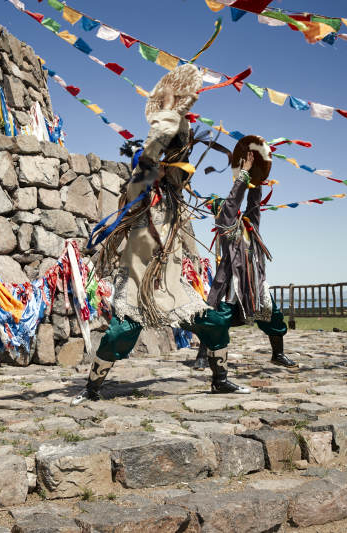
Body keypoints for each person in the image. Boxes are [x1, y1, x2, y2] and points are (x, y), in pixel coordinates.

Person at [72, 65, 265, 405]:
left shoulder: (175, 197)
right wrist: (165, 119)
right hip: (137, 282)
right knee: (121, 332)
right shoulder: (140, 189)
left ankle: (220, 380)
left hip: (171, 285)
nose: (184, 167)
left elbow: (194, 174)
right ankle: (91, 388)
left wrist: (244, 172)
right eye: (178, 156)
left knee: (214, 323)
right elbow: (150, 154)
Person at [192, 135, 297, 371]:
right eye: (223, 208)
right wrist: (244, 173)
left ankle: (278, 354)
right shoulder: (225, 227)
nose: (228, 209)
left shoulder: (250, 225)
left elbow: (253, 204)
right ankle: (202, 354)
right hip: (230, 285)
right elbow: (231, 203)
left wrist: (257, 178)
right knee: (215, 319)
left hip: (255, 284)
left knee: (273, 315)